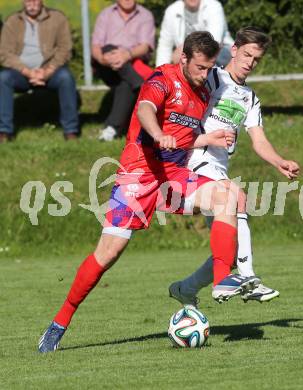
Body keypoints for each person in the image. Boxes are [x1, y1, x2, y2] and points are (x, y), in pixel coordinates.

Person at [38, 31, 259, 353]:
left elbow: (184, 135)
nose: (204, 75)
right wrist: (157, 133)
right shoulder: (162, 79)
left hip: (173, 176)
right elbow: (144, 110)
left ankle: (223, 278)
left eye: (209, 68)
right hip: (137, 176)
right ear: (183, 58)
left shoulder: (205, 88)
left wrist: (207, 140)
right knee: (108, 254)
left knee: (228, 196)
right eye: (199, 67)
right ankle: (60, 321)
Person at [168, 26, 300, 307]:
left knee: (230, 247)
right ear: (235, 50)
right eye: (247, 55)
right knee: (238, 197)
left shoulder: (250, 98)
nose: (250, 63)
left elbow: (259, 140)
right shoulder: (213, 78)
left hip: (218, 166)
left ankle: (185, 288)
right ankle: (249, 278)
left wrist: (279, 162)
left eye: (257, 59)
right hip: (196, 159)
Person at [0, 0, 79, 142]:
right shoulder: (12, 21)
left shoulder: (57, 18)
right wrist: (26, 71)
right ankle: (5, 131)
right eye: (28, 1)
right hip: (21, 72)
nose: (32, 4)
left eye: (35, 0)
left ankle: (70, 130)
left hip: (50, 70)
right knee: (3, 78)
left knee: (66, 78)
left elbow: (65, 48)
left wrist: (48, 71)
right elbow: (5, 53)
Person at [92, 0, 155, 141]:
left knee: (125, 84)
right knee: (108, 48)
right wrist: (103, 59)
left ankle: (111, 128)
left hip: (132, 62)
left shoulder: (145, 15)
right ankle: (138, 83)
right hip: (106, 65)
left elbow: (145, 46)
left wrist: (126, 55)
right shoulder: (106, 14)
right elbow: (96, 46)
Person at [156, 0, 234, 68]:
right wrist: (159, 74)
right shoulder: (171, 11)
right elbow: (165, 46)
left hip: (220, 51)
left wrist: (184, 49)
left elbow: (214, 40)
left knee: (212, 55)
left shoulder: (214, 6)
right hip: (186, 56)